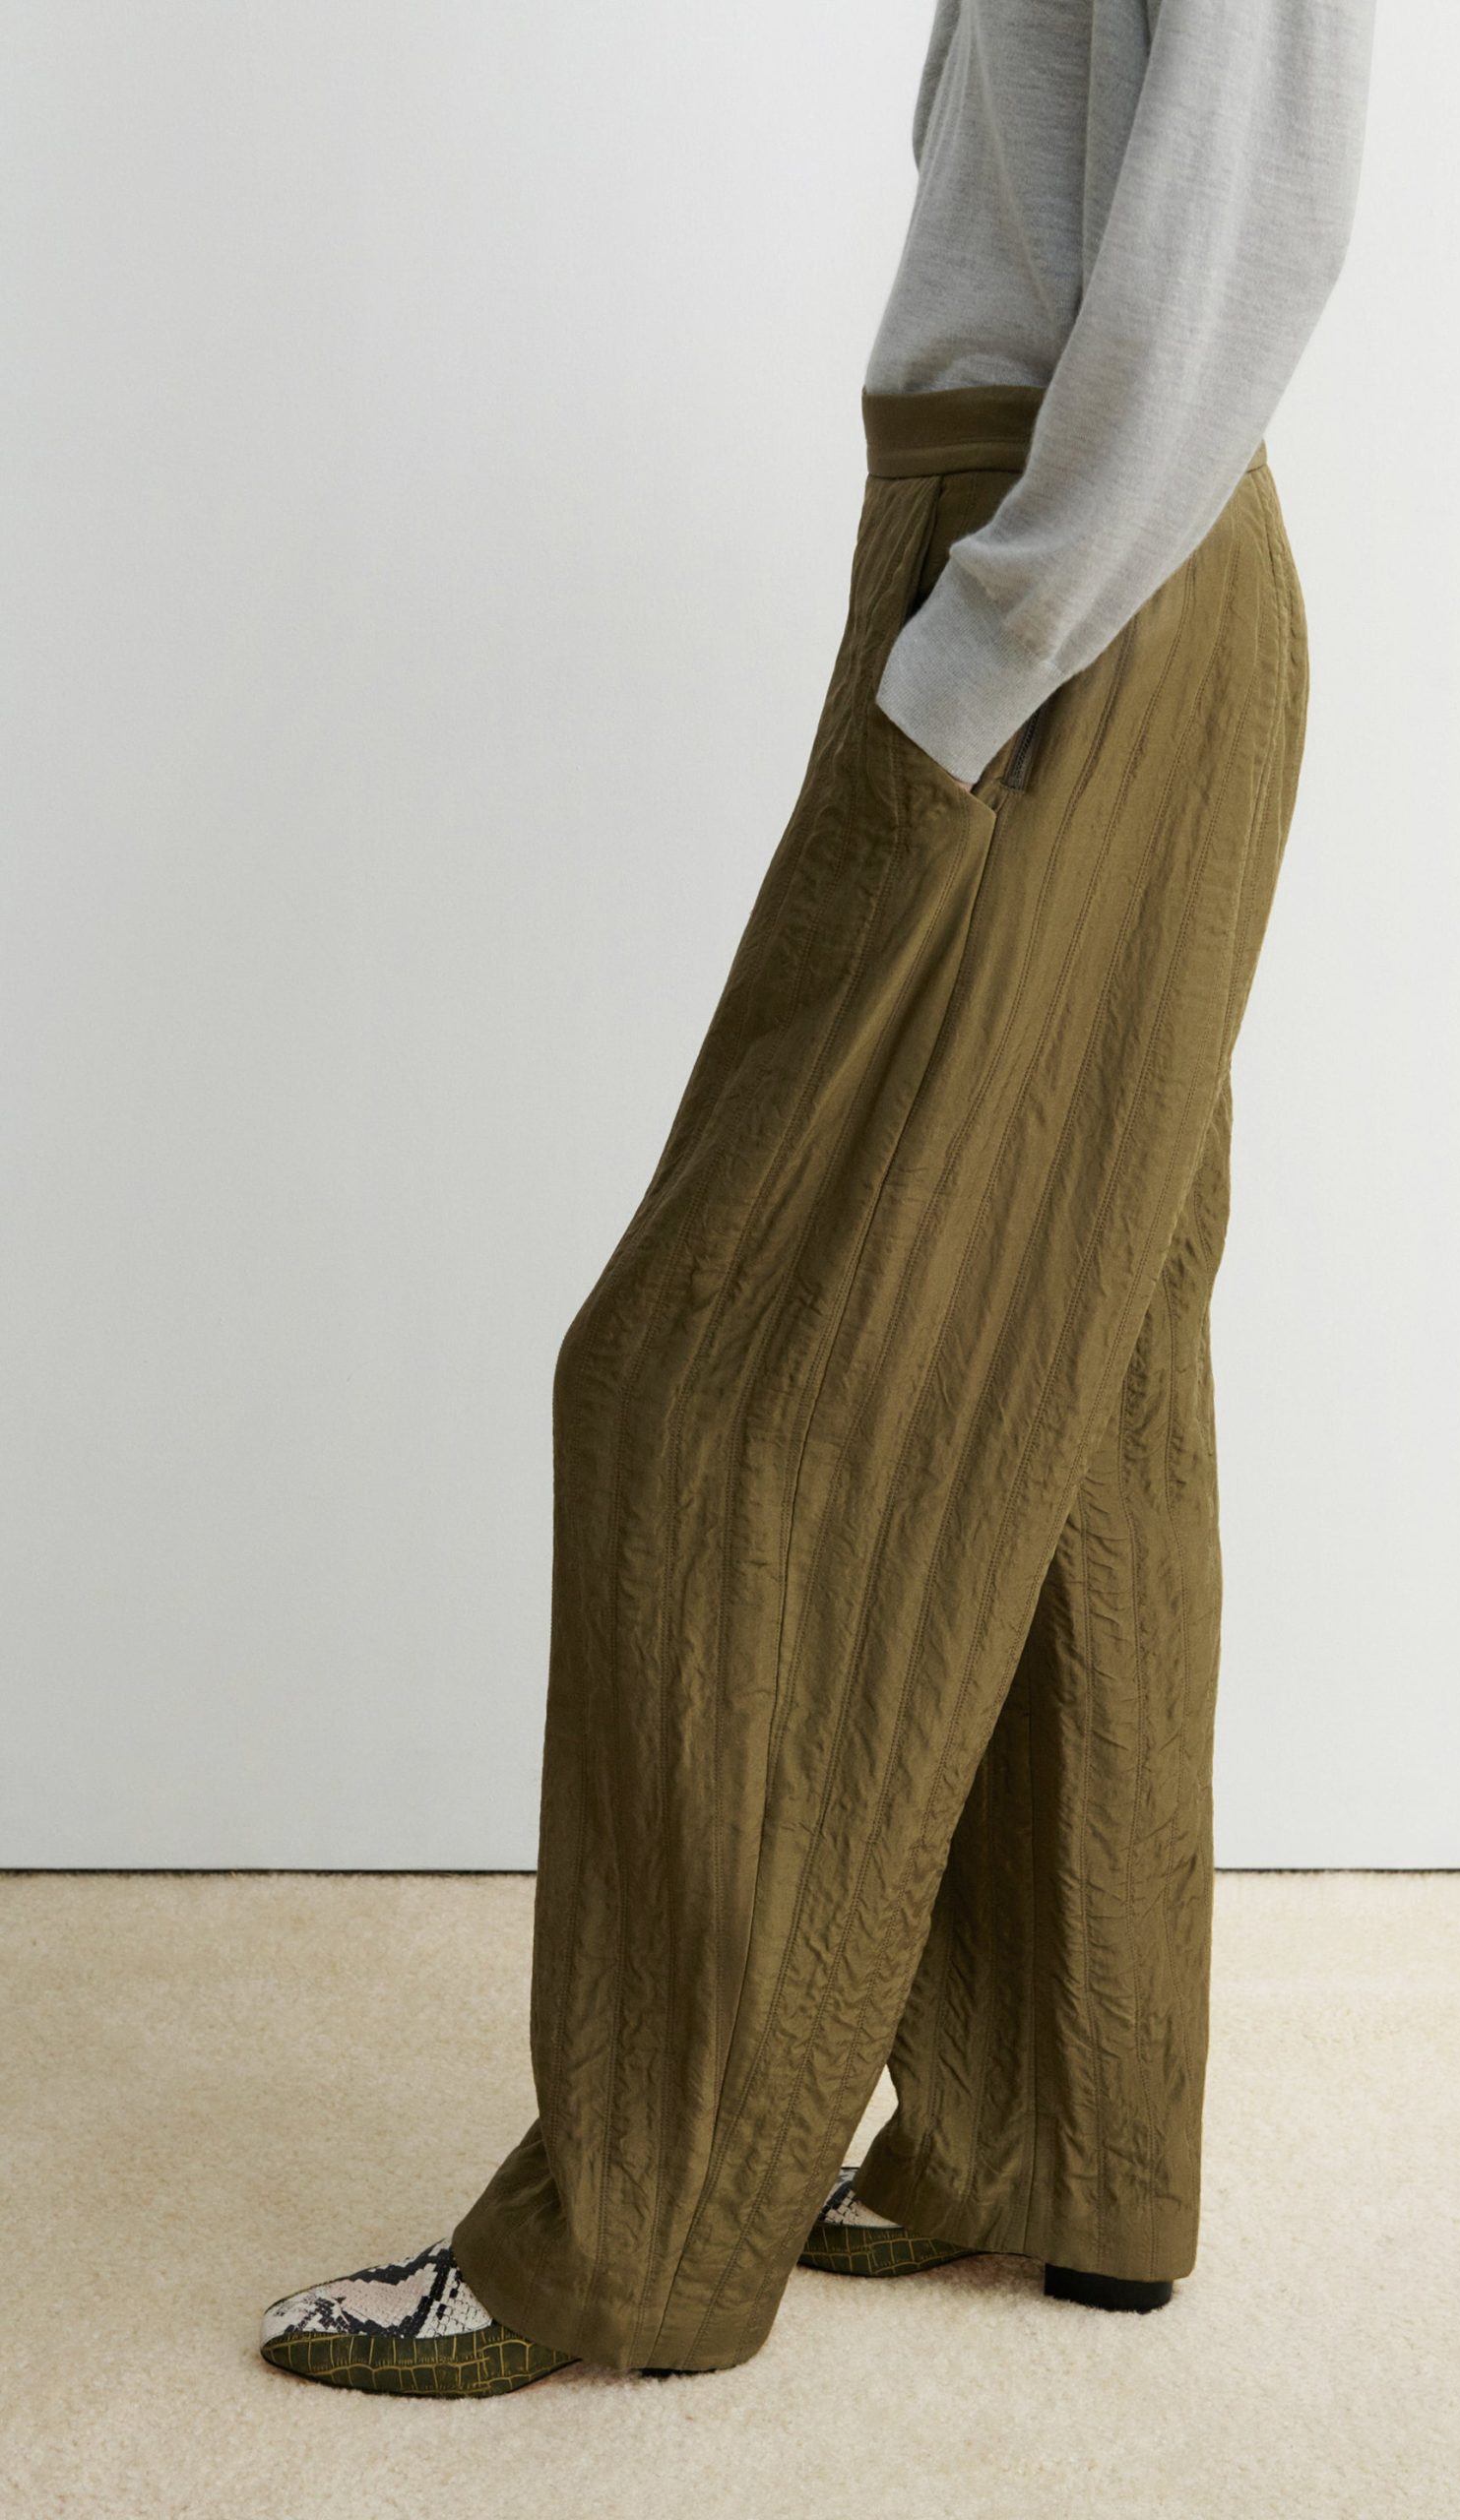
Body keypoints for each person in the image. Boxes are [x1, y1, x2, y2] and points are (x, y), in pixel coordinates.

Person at [260, 0, 1373, 2394]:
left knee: (697, 1379)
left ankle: (640, 2223)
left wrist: (988, 633)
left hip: (1070, 587)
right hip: (1062, 561)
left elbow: (1249, 219)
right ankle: (1050, 2132)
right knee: (1082, 1395)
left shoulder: (1033, 597)